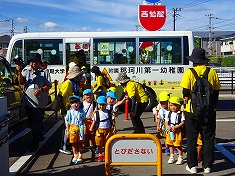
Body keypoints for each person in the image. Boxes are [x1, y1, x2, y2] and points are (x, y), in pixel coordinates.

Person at [180, 48, 220, 174]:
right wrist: (212, 107)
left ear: (194, 61)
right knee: (208, 138)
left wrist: (186, 100)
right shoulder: (212, 72)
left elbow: (185, 91)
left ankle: (192, 166)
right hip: (208, 111)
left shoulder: (189, 73)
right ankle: (207, 165)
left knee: (191, 138)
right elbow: (215, 93)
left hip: (191, 111)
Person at [16, 53, 52, 152]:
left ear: (40, 63)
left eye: (36, 62)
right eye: (32, 62)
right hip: (28, 102)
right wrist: (19, 71)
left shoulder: (44, 72)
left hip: (39, 103)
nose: (34, 64)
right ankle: (39, 135)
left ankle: (35, 143)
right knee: (31, 124)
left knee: (36, 124)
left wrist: (40, 89)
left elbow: (49, 86)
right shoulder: (26, 72)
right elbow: (21, 82)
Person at [58, 65, 84, 155]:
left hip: (73, 109)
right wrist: (63, 109)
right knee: (66, 128)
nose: (80, 77)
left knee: (73, 127)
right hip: (67, 109)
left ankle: (69, 144)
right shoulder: (68, 83)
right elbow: (60, 96)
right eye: (79, 75)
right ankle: (63, 147)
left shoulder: (74, 83)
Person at [89, 96, 116, 162]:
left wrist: (114, 128)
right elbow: (94, 121)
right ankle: (100, 154)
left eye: (103, 105)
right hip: (99, 130)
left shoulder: (109, 113)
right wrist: (91, 129)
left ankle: (106, 154)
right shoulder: (97, 113)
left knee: (107, 143)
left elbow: (113, 121)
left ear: (106, 105)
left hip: (108, 130)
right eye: (100, 105)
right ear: (97, 105)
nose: (101, 106)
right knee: (99, 143)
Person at [65, 95, 85, 164]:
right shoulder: (69, 112)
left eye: (76, 102)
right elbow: (67, 122)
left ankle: (80, 155)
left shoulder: (82, 111)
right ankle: (75, 155)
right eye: (73, 103)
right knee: (73, 143)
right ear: (70, 104)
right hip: (72, 128)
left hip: (80, 127)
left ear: (79, 103)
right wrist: (67, 131)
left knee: (80, 142)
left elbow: (84, 120)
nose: (75, 104)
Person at [165, 96, 185, 165]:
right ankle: (172, 156)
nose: (173, 107)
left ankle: (180, 157)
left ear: (179, 106)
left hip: (178, 132)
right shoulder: (169, 113)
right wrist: (167, 126)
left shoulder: (180, 113)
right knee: (171, 144)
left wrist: (177, 127)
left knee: (178, 145)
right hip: (170, 131)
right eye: (171, 105)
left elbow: (183, 122)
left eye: (175, 105)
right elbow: (166, 121)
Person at [154, 91, 170, 155]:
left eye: (164, 103)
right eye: (161, 103)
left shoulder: (171, 108)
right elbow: (158, 117)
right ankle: (166, 148)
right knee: (163, 137)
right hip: (163, 126)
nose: (163, 105)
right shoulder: (160, 109)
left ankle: (171, 148)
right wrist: (157, 125)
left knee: (170, 137)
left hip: (170, 125)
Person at [81, 89, 96, 154]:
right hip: (84, 120)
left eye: (90, 94)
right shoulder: (81, 104)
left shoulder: (95, 104)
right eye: (87, 95)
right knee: (83, 133)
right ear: (83, 97)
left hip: (91, 121)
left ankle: (91, 145)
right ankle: (83, 145)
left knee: (91, 133)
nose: (88, 96)